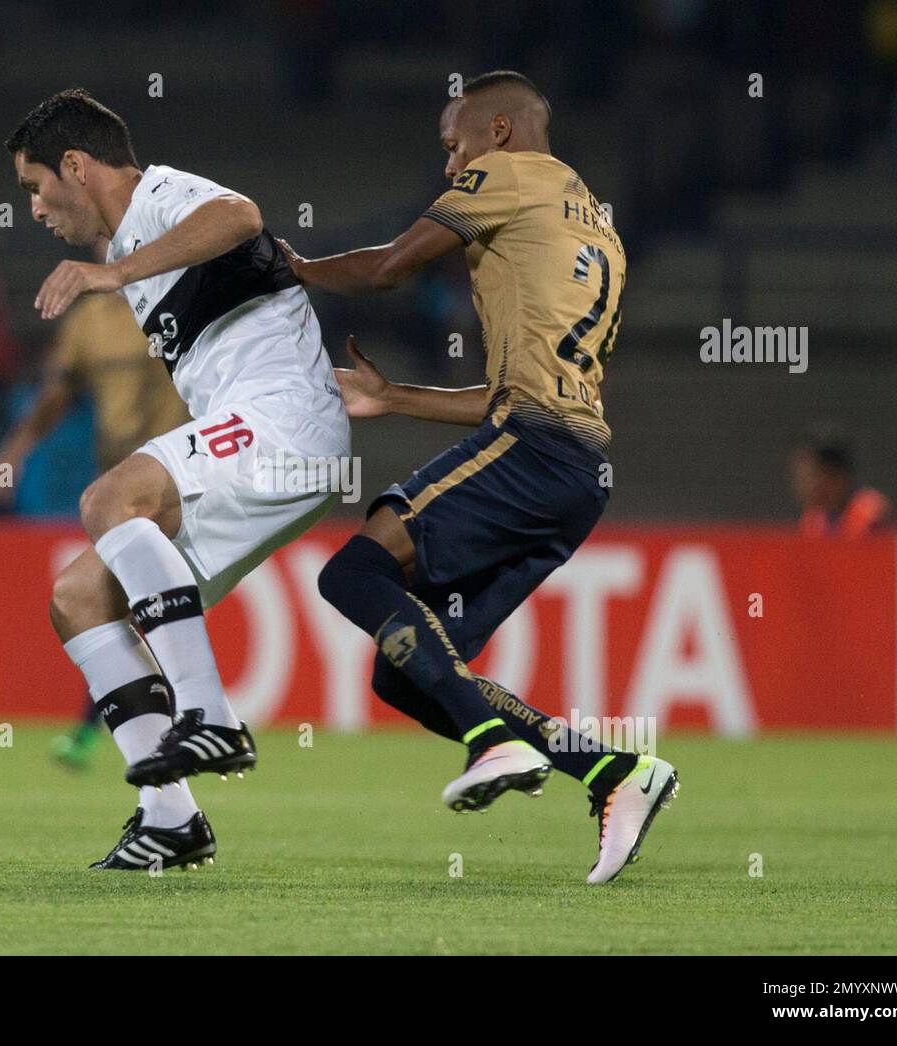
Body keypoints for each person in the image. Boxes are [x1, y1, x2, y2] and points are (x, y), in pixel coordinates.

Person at [281, 70, 677, 884]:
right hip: (576, 477)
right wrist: (396, 397)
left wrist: (300, 269)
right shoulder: (596, 224)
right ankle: (611, 773)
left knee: (353, 570)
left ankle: (493, 744)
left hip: (533, 450)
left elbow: (394, 266)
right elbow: (516, 389)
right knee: (412, 674)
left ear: (498, 131)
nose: (449, 160)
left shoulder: (504, 175)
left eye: (453, 142)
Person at [7, 89, 350, 870]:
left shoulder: (160, 197)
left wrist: (113, 271)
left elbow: (240, 216)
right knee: (78, 596)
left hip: (281, 422)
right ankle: (170, 819)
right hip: (275, 434)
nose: (33, 210)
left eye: (34, 187)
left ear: (76, 165)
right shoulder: (135, 256)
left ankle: (211, 714)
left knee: (107, 499)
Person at [0, 294, 191, 769]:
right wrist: (16, 446)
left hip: (182, 472)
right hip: (118, 481)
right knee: (121, 602)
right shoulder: (90, 319)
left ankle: (172, 726)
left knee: (122, 599)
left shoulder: (179, 292)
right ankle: (176, 725)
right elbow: (59, 391)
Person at [789, 434, 894, 537]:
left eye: (808, 476)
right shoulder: (812, 520)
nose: (801, 484)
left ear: (834, 475)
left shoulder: (869, 513)